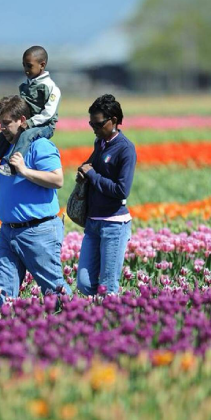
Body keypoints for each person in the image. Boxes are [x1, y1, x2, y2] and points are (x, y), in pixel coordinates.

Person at [0, 95, 71, 303]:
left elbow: (57, 179)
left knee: (55, 291)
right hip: (8, 232)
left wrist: (25, 171)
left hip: (37, 231)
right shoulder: (7, 147)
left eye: (6, 123)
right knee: (3, 294)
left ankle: (75, 322)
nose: (2, 128)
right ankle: (4, 330)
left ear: (22, 120)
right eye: (0, 123)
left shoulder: (39, 145)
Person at [0, 45, 61, 182]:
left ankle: (11, 165)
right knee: (1, 136)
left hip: (44, 125)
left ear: (42, 65)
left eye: (29, 66)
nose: (26, 70)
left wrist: (30, 123)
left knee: (27, 135)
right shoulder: (26, 84)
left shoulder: (50, 87)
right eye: (24, 66)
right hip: (27, 122)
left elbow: (49, 113)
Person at [76, 94, 136, 296]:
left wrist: (92, 174)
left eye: (98, 124)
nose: (94, 128)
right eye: (91, 124)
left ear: (114, 121)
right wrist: (83, 172)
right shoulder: (100, 143)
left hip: (114, 224)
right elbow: (91, 166)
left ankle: (108, 320)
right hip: (93, 222)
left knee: (108, 286)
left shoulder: (125, 149)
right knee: (85, 283)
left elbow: (121, 190)